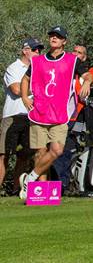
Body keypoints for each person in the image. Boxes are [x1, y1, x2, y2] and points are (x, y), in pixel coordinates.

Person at [18, 26, 92, 200]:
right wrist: (24, 97)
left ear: (64, 41)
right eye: (52, 35)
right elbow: (25, 79)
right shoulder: (38, 61)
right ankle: (39, 192)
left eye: (58, 36)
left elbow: (88, 75)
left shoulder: (73, 60)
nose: (54, 38)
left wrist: (87, 83)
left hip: (59, 115)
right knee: (40, 153)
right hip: (39, 112)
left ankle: (30, 179)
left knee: (57, 150)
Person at [1, 38, 43, 195]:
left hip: (31, 117)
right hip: (12, 116)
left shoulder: (38, 68)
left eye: (39, 50)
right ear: (25, 51)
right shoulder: (14, 67)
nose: (37, 52)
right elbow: (17, 90)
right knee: (4, 154)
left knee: (24, 156)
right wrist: (37, 87)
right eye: (34, 50)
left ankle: (16, 189)